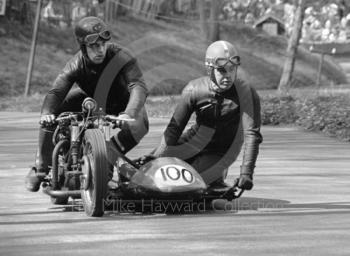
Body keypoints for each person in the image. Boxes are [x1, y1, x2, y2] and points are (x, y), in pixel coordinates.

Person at [25, 16, 149, 192]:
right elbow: (56, 92)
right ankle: (41, 168)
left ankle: (106, 157)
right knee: (53, 113)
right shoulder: (75, 64)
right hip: (93, 99)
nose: (100, 50)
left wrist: (129, 112)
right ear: (83, 47)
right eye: (94, 46)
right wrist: (47, 113)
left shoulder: (121, 56)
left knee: (140, 125)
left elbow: (138, 86)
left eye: (103, 44)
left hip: (123, 103)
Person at [152, 40, 262, 190]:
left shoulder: (246, 93)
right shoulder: (194, 89)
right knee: (149, 170)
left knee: (187, 181)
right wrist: (156, 158)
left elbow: (251, 135)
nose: (228, 75)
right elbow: (174, 130)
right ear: (210, 70)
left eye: (232, 69)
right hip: (190, 142)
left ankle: (216, 176)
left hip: (218, 153)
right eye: (222, 70)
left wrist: (246, 173)